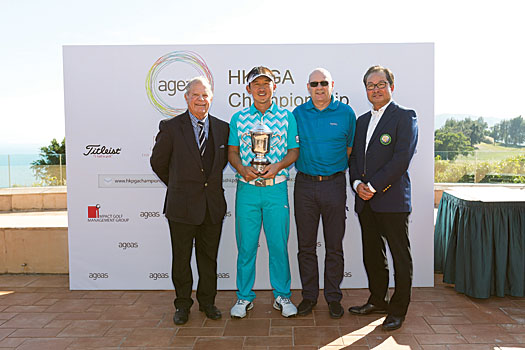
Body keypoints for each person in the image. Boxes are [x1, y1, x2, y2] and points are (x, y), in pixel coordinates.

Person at [150, 76, 229, 325]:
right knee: (181, 259)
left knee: (209, 258)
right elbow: (158, 163)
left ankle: (208, 303)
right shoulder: (171, 127)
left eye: (205, 95)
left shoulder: (222, 128)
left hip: (212, 207)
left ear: (211, 98)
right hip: (181, 207)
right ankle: (182, 305)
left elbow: (220, 164)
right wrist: (178, 185)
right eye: (195, 95)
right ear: (186, 98)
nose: (200, 99)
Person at [348, 65, 418, 331]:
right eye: (370, 85)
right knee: (373, 255)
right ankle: (378, 300)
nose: (375, 89)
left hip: (392, 200)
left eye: (380, 84)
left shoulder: (405, 117)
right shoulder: (362, 121)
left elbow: (401, 159)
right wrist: (356, 184)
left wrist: (373, 186)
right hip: (364, 200)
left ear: (391, 86)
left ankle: (398, 310)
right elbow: (354, 158)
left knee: (400, 256)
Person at [228, 66, 300, 318]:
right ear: (248, 89)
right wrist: (242, 168)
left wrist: (278, 166)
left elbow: (293, 151)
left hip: (276, 189)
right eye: (256, 84)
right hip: (247, 190)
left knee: (278, 246)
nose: (261, 88)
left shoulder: (286, 117)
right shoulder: (238, 119)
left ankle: (282, 295)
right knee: (246, 246)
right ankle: (244, 297)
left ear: (274, 87)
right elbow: (232, 152)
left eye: (266, 83)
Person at [292, 68, 356, 318]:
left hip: (334, 185)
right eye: (314, 83)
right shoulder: (298, 114)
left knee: (334, 245)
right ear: (308, 87)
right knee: (306, 246)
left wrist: (331, 170)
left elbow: (349, 148)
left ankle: (333, 297)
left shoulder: (346, 113)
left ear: (332, 85)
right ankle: (309, 297)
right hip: (305, 185)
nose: (319, 87)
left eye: (324, 83)